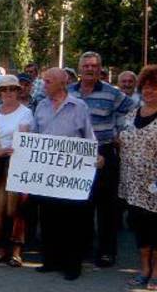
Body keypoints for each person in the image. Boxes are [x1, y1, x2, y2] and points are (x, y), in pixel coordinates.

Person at [68, 51, 134, 267]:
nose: (89, 69)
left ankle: (107, 251)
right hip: (76, 154)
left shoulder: (112, 93)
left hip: (104, 152)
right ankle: (85, 247)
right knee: (81, 204)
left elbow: (133, 111)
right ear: (79, 69)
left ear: (100, 69)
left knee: (107, 208)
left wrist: (120, 131)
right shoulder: (69, 93)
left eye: (94, 66)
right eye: (86, 65)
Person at [32, 68, 95, 280]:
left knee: (71, 221)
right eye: (44, 81)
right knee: (48, 219)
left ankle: (72, 265)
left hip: (71, 174)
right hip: (47, 175)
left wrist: (94, 159)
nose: (44, 84)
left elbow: (88, 137)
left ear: (62, 83)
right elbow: (34, 137)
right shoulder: (40, 106)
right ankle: (50, 260)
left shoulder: (79, 106)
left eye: (48, 81)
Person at [0, 75, 33, 268]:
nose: (8, 93)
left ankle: (16, 251)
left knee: (16, 208)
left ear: (18, 91)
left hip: (16, 164)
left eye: (12, 89)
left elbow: (23, 139)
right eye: (4, 89)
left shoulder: (25, 113)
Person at [119, 65, 157, 290]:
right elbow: (122, 140)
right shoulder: (132, 115)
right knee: (140, 228)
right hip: (133, 184)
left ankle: (156, 272)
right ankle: (144, 269)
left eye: (154, 88)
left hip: (155, 185)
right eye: (146, 87)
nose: (149, 92)